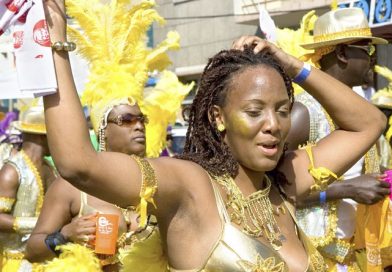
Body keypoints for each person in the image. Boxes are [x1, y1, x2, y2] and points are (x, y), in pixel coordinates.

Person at [42, 0, 387, 270]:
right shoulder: (191, 186)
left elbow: (368, 123)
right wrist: (56, 42)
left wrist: (293, 64)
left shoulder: (282, 183)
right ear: (217, 117)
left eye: (282, 110)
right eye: (254, 112)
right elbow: (77, 163)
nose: (274, 125)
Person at [26, 1, 191, 271]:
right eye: (126, 120)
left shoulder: (162, 178)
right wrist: (65, 234)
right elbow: (32, 250)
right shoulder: (71, 186)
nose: (138, 126)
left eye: (142, 119)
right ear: (103, 129)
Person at [286, 7, 390, 271]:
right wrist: (346, 189)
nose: (373, 59)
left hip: (354, 258)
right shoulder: (303, 113)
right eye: (366, 50)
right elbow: (269, 191)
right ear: (342, 53)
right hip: (315, 260)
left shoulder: (363, 113)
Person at [0, 105, 57, 271]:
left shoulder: (50, 167)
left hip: (47, 260)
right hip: (17, 262)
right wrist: (41, 225)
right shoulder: (12, 171)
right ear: (42, 137)